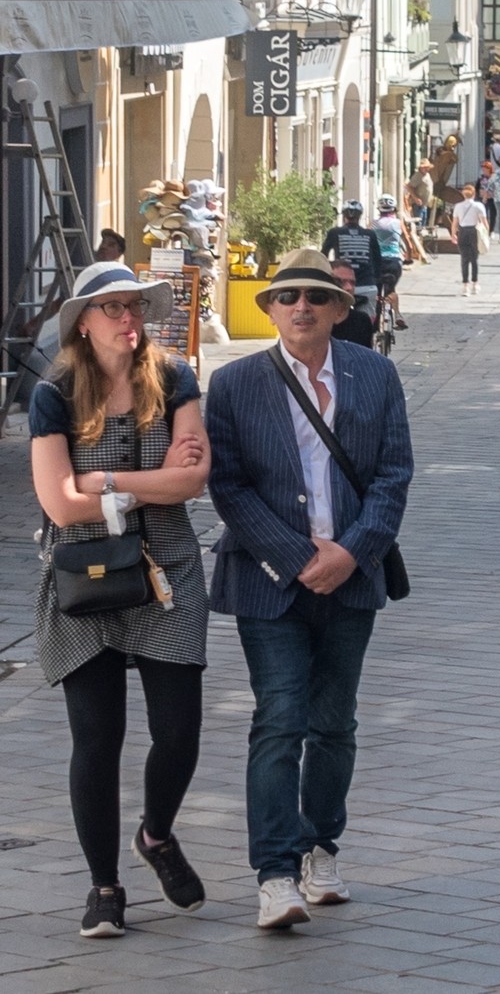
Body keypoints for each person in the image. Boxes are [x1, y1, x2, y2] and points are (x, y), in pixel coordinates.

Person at [205, 249, 412, 930]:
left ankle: (321, 849)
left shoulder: (375, 374)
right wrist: (299, 557)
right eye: (286, 296)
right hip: (271, 582)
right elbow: (228, 486)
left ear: (339, 310)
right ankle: (274, 875)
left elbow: (393, 474)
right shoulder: (235, 384)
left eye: (315, 298)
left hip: (352, 578)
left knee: (334, 724)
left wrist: (352, 553)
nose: (300, 307)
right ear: (269, 309)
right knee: (279, 719)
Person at [29, 263, 212, 938]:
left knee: (179, 733)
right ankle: (104, 886)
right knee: (97, 739)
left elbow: (195, 479)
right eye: (114, 310)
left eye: (135, 307)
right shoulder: (54, 393)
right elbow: (56, 502)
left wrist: (100, 478)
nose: (130, 320)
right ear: (83, 322)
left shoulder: (174, 378)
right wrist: (148, 482)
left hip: (166, 572)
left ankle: (156, 835)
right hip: (86, 576)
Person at [322, 203, 379, 308]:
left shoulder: (334, 232)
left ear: (344, 216)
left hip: (340, 286)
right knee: (368, 320)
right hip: (367, 286)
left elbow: (323, 256)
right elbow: (378, 261)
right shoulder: (370, 234)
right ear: (360, 216)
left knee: (336, 318)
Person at [369, 196, 408, 331]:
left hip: (377, 262)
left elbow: (367, 239)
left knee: (376, 291)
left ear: (379, 209)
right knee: (391, 289)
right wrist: (408, 255)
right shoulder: (398, 223)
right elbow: (408, 241)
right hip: (394, 261)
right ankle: (397, 315)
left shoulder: (373, 224)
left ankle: (373, 318)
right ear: (394, 208)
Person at [327, 262, 377, 349]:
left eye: (352, 283)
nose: (349, 287)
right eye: (341, 282)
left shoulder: (362, 321)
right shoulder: (318, 321)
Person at [452, 184, 487, 294]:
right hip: (474, 231)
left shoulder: (458, 206)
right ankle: (475, 284)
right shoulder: (478, 206)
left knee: (464, 259)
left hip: (462, 232)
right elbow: (484, 223)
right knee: (474, 259)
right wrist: (486, 235)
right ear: (474, 194)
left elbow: (455, 223)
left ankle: (465, 285)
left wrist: (453, 234)